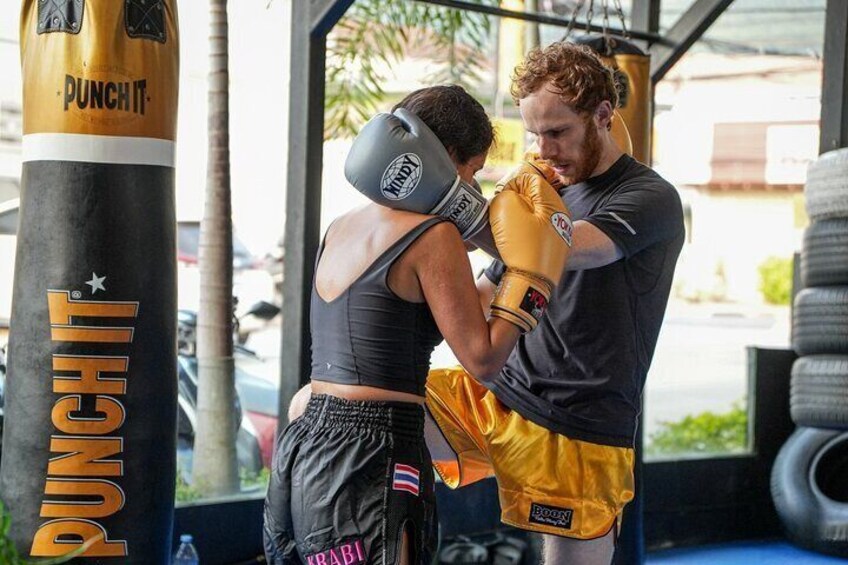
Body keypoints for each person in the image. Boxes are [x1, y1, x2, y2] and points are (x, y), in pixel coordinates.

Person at [263, 85, 572, 565]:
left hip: (307, 442)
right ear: (444, 158)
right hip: (375, 445)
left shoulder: (341, 227)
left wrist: (504, 267)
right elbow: (483, 359)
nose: (469, 191)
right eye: (471, 173)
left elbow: (428, 307)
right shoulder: (434, 236)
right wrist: (533, 281)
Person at [423, 41, 685, 564]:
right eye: (535, 134)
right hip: (493, 399)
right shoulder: (540, 191)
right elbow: (482, 293)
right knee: (332, 405)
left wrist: (456, 204)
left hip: (579, 432)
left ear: (604, 115)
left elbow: (567, 251)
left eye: (558, 132)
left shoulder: (649, 196)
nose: (544, 149)